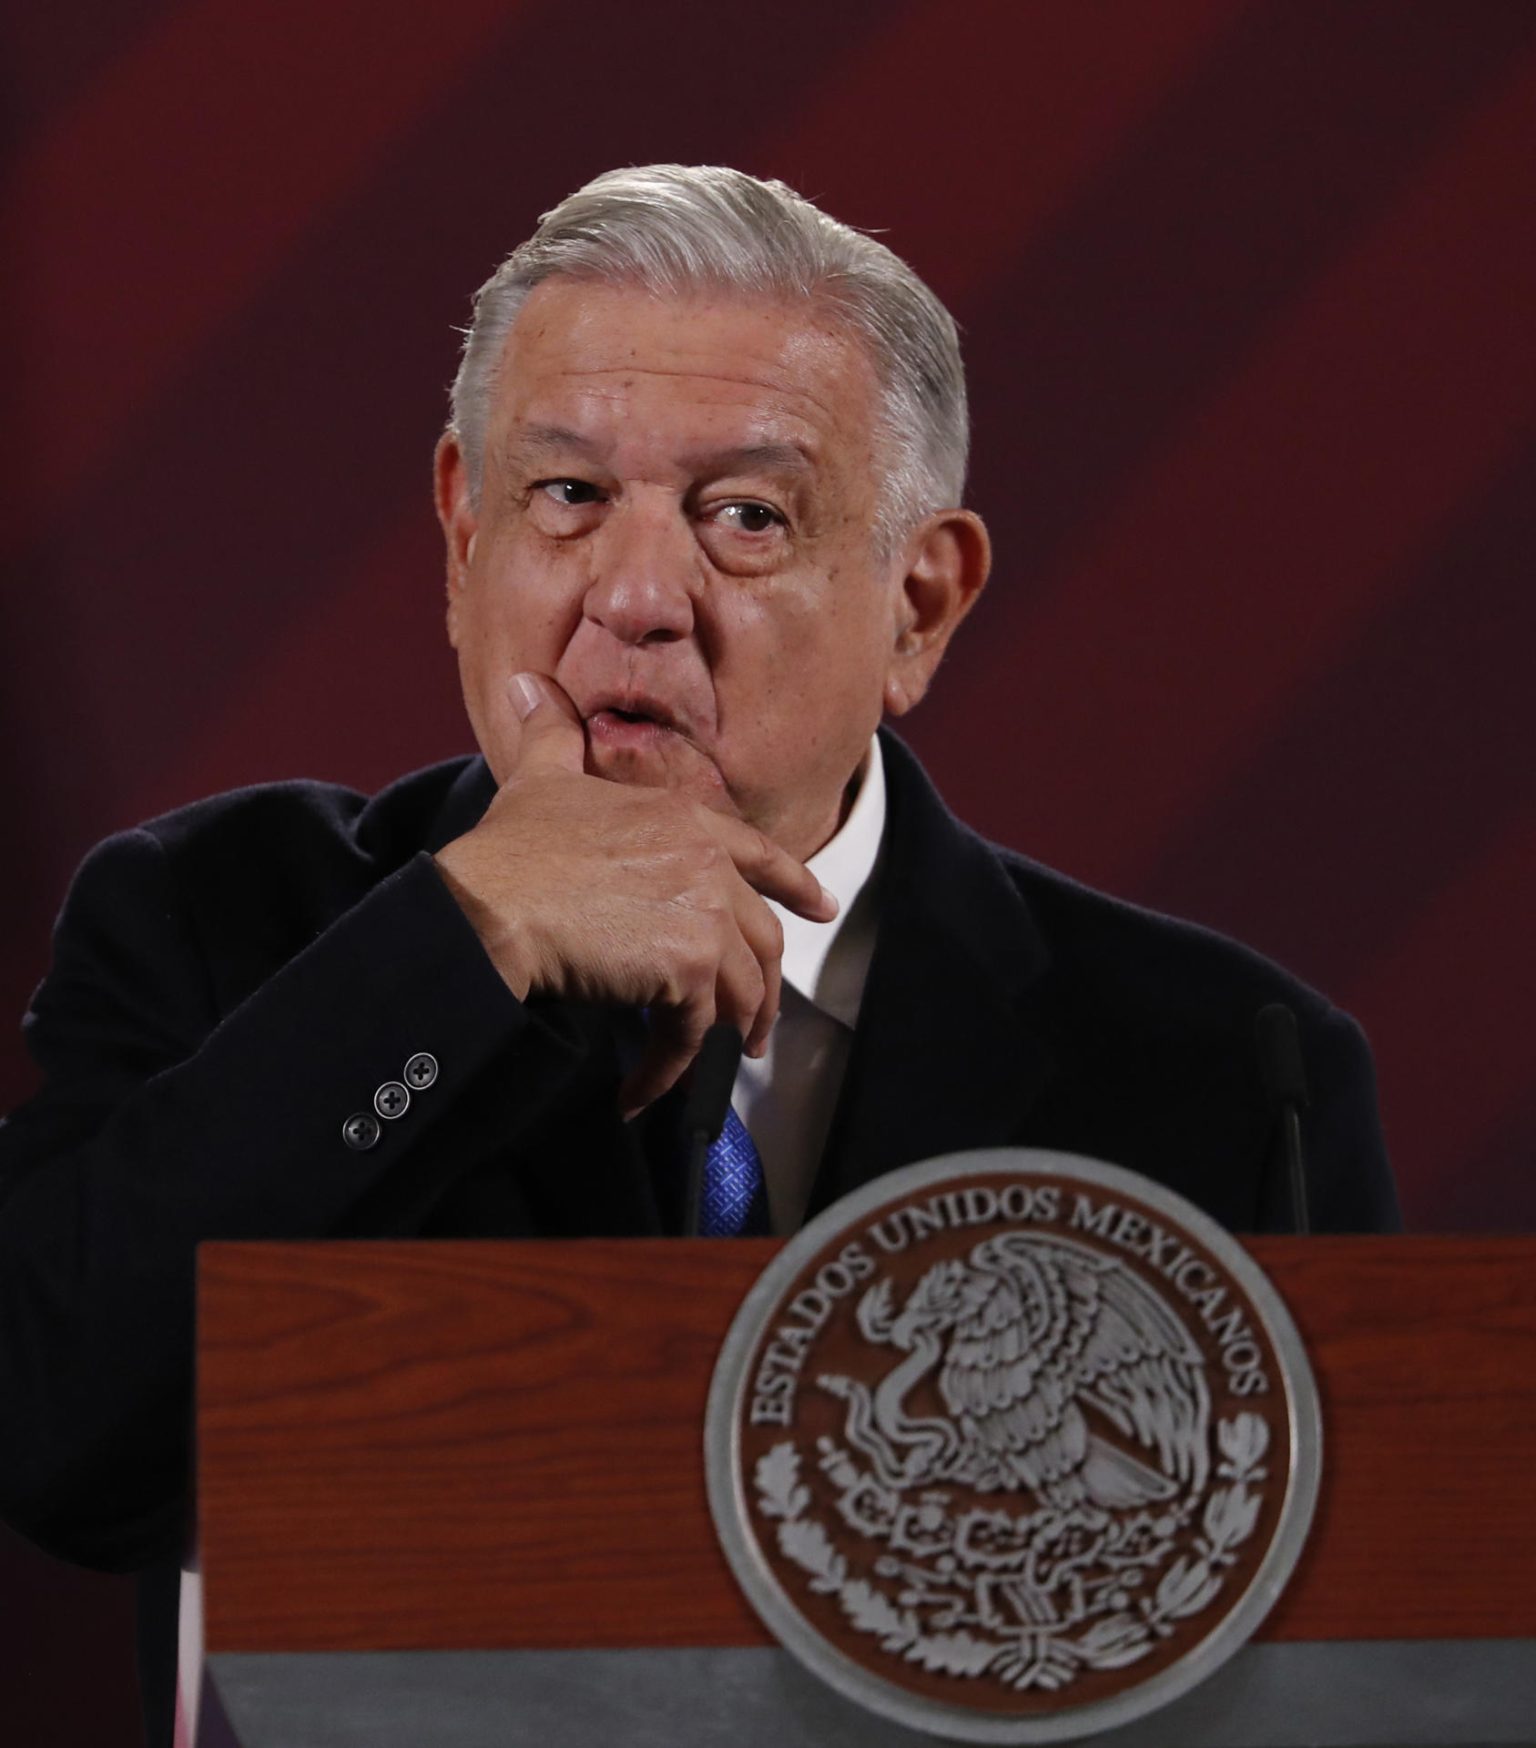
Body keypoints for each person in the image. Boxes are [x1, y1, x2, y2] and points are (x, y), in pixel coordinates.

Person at [0, 165, 1399, 1746]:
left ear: (920, 605)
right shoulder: (221, 929)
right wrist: (473, 940)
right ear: (465, 532)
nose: (637, 598)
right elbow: (59, 1441)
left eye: (745, 517)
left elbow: (1336, 1674)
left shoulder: (1231, 1070)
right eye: (569, 498)